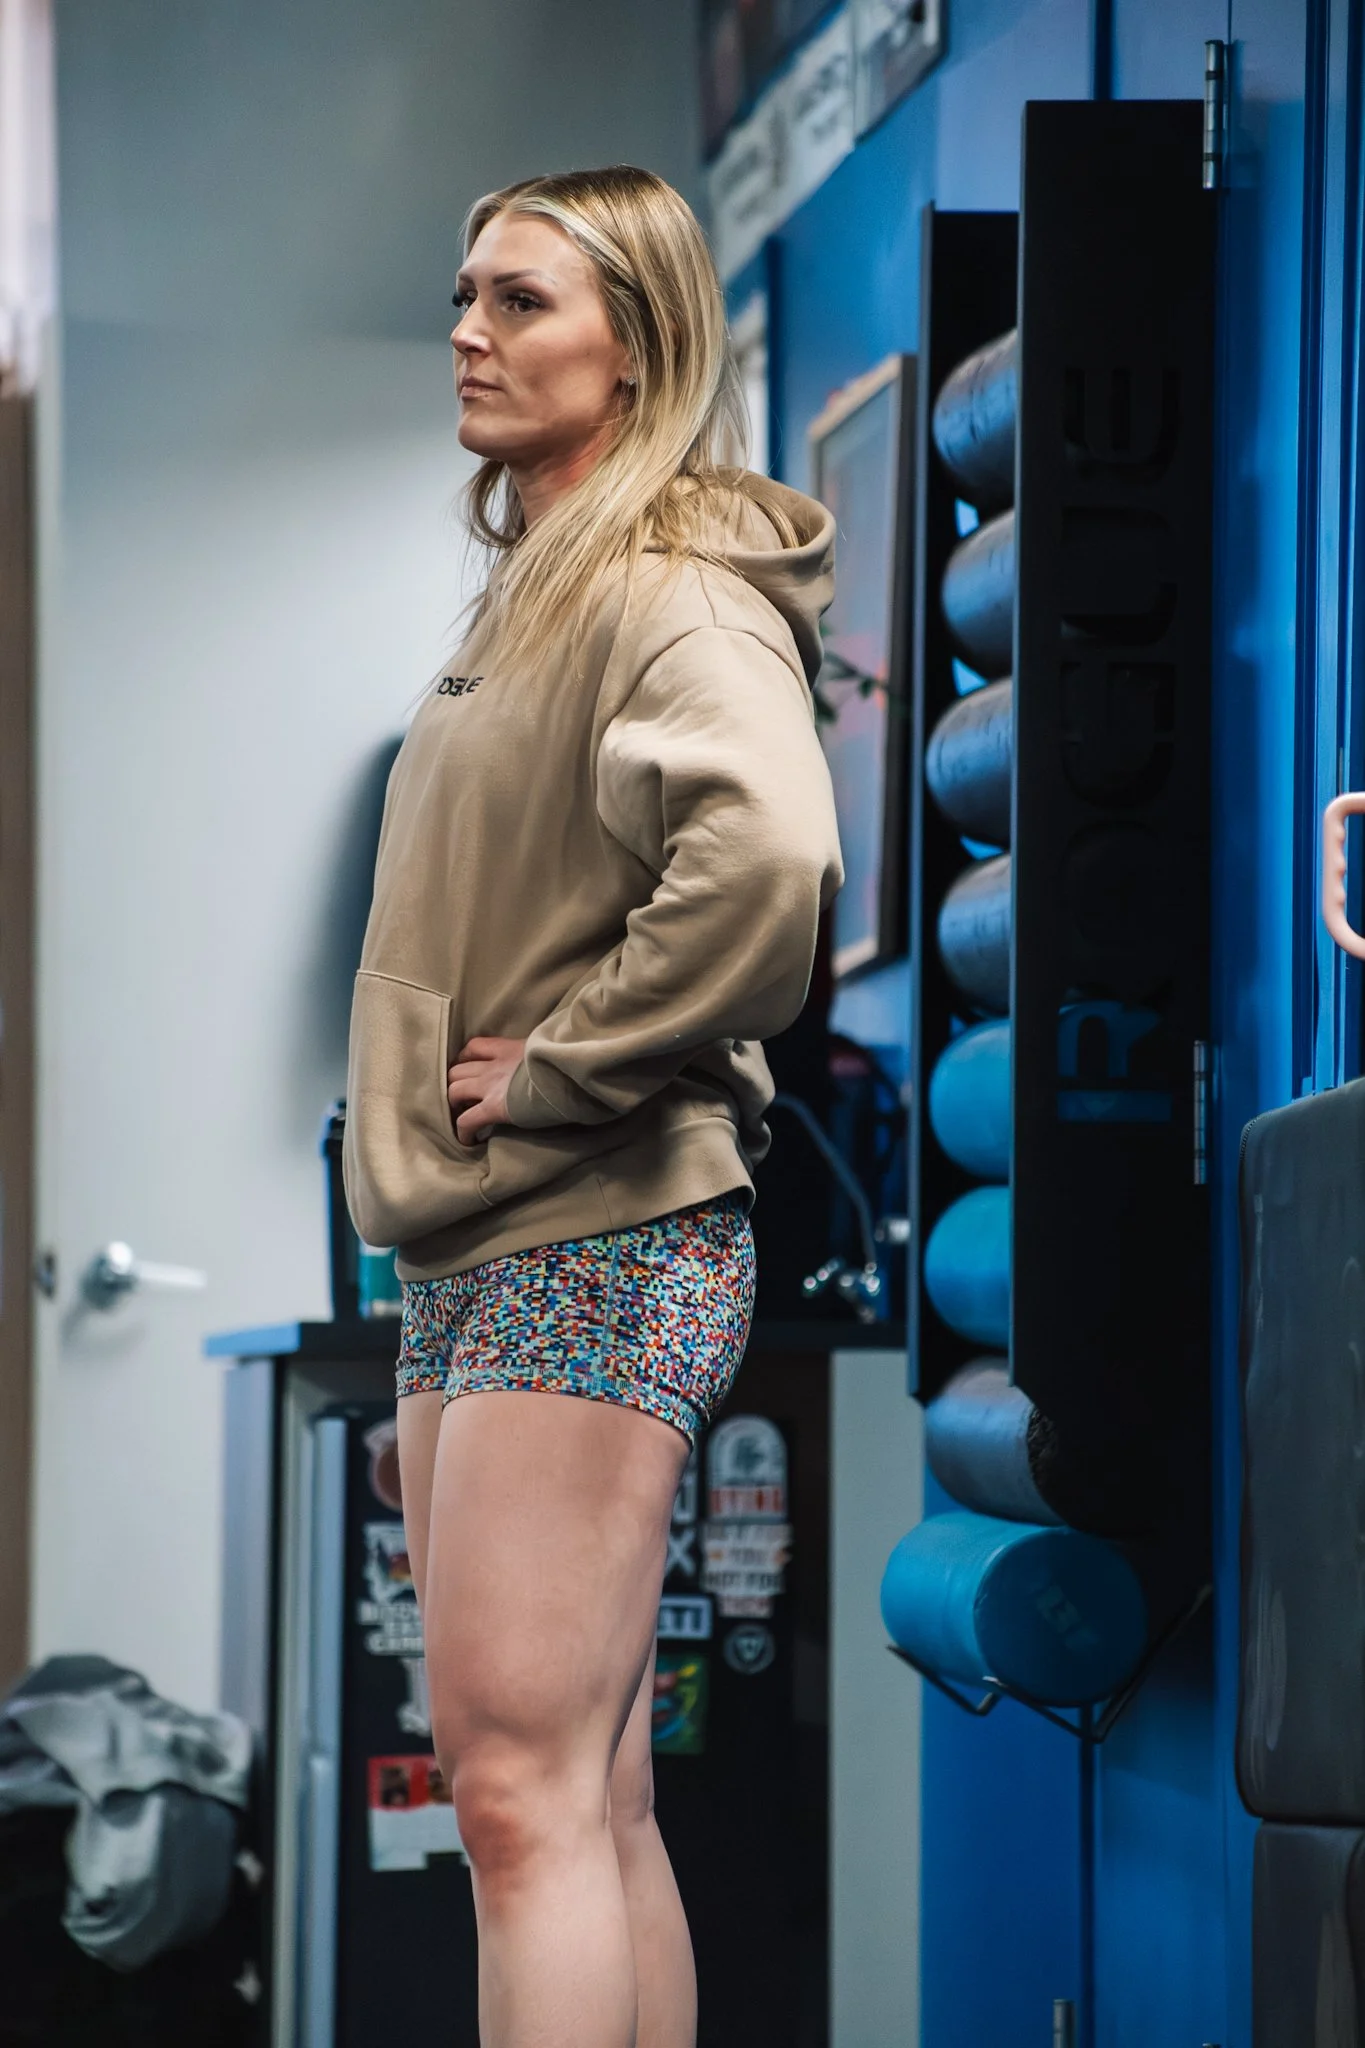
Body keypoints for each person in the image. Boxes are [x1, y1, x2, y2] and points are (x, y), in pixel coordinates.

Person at [343, 163, 842, 2048]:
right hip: (492, 1243)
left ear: (636, 345)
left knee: (519, 1800)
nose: (470, 329)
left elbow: (773, 863)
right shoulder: (546, 592)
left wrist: (565, 1068)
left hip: (598, 1224)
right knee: (579, 1797)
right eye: (465, 291)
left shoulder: (661, 595)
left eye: (522, 299)